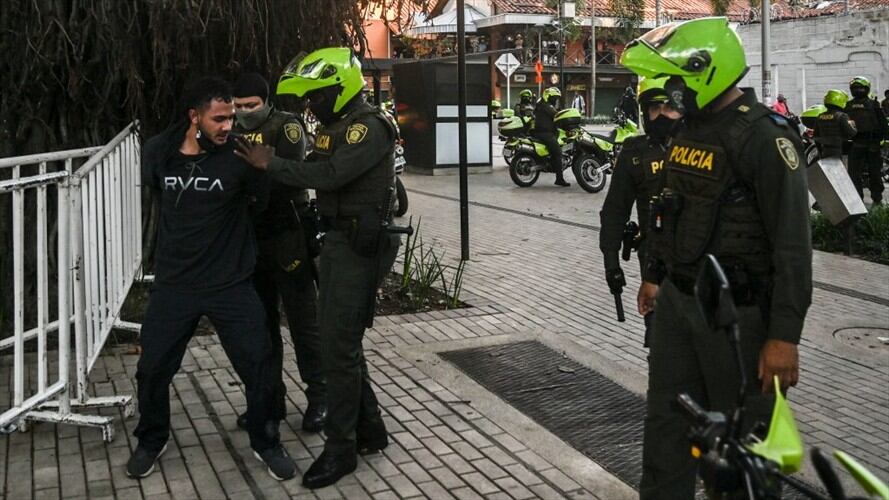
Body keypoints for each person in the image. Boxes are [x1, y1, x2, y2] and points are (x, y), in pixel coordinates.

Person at [621, 17, 812, 499]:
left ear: (707, 70)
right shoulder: (689, 131)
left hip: (738, 320)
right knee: (667, 431)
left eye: (676, 80)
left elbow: (793, 245)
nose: (671, 93)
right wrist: (655, 276)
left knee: (742, 455)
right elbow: (668, 210)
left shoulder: (766, 138)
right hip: (678, 306)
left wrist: (784, 337)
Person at [234, 47, 401, 489]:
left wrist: (271, 162)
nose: (310, 104)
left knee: (336, 347)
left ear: (340, 88)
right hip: (339, 242)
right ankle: (371, 430)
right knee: (342, 343)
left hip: (360, 245)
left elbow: (328, 176)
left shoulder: (367, 128)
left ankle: (341, 448)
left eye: (316, 96)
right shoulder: (334, 127)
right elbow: (311, 164)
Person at [132, 76, 296, 480]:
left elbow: (258, 204)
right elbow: (154, 192)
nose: (228, 126)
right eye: (219, 118)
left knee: (259, 364)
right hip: (175, 284)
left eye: (232, 117)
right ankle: (151, 439)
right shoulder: (159, 152)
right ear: (195, 116)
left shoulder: (241, 155)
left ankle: (266, 441)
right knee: (152, 369)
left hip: (230, 284)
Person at [231, 73, 327, 435]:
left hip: (287, 234)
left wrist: (259, 173)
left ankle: (321, 397)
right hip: (251, 239)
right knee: (261, 326)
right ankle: (270, 400)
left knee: (304, 322)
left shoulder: (286, 127)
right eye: (239, 106)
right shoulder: (229, 130)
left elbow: (293, 175)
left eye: (251, 105)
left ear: (266, 101)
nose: (244, 112)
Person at [598, 76, 677, 343]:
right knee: (659, 342)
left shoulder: (699, 148)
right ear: (644, 112)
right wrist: (611, 263)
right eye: (655, 108)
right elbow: (615, 211)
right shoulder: (635, 152)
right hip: (654, 262)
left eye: (669, 107)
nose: (662, 115)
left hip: (698, 264)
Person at [845, 76, 888, 205]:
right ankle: (877, 198)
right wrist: (883, 139)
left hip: (856, 144)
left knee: (855, 174)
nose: (858, 90)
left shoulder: (848, 105)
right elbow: (883, 124)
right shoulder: (874, 104)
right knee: (874, 172)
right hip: (871, 144)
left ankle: (858, 199)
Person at [533, 86, 570, 186]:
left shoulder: (540, 105)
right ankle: (559, 179)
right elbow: (556, 115)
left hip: (538, 132)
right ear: (549, 96)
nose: (556, 100)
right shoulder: (547, 106)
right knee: (558, 153)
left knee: (553, 150)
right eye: (555, 97)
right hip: (546, 134)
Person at [813, 89, 856, 159]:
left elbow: (815, 136)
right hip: (838, 150)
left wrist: (820, 151)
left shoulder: (820, 116)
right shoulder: (842, 116)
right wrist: (853, 125)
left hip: (824, 151)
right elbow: (851, 133)